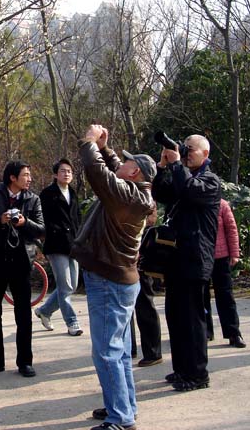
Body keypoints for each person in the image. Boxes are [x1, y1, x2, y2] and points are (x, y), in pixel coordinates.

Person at [71, 124, 155, 430]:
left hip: (109, 281)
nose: (123, 162)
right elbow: (115, 168)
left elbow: (99, 173)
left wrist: (89, 142)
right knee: (117, 351)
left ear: (135, 173)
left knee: (107, 352)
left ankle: (120, 417)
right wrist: (106, 148)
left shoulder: (128, 198)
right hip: (117, 280)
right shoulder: (137, 193)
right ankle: (122, 406)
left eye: (128, 162)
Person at [152, 134, 221, 392]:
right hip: (176, 258)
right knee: (176, 317)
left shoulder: (210, 181)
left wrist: (178, 163)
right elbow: (161, 192)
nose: (186, 153)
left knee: (193, 320)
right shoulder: (184, 176)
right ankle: (182, 369)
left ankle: (198, 374)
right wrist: (162, 166)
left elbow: (190, 192)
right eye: (185, 149)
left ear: (205, 153)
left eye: (190, 150)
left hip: (195, 259)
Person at [0, 161, 45, 378]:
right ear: (12, 177)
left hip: (21, 262)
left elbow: (41, 229)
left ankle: (25, 362)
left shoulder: (33, 198)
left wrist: (24, 223)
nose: (29, 179)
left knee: (23, 313)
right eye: (26, 175)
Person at [35, 158, 83, 336]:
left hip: (73, 244)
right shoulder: (47, 194)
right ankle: (72, 322)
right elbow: (43, 219)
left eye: (69, 171)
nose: (67, 173)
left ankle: (45, 311)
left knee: (72, 285)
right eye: (63, 171)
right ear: (55, 174)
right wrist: (54, 231)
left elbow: (77, 217)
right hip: (56, 245)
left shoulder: (72, 192)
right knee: (65, 285)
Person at [204, 199, 246, 348]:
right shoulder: (192, 201)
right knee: (201, 296)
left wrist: (234, 253)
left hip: (221, 257)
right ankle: (205, 332)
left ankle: (233, 333)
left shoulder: (222, 205)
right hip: (200, 257)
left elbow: (231, 229)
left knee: (226, 296)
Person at [132, 206, 163, 368]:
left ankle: (153, 352)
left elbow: (151, 219)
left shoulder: (144, 187)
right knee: (125, 306)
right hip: (123, 250)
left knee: (144, 301)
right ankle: (129, 348)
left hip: (139, 250)